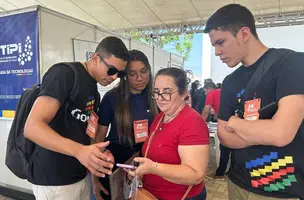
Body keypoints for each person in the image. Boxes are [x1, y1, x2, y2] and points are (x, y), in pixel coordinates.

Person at [204, 4, 304, 199]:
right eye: (214, 45)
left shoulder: (291, 64)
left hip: (279, 189)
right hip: (237, 181)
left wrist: (236, 123)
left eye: (221, 42)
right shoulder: (230, 81)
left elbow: (281, 133)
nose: (217, 52)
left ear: (243, 33)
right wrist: (264, 131)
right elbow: (224, 136)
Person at [24, 36, 130, 200]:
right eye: (111, 70)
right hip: (54, 180)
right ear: (95, 58)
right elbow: (32, 127)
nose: (115, 77)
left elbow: (87, 135)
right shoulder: (64, 74)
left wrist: (100, 153)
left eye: (120, 73)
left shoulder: (94, 92)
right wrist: (80, 151)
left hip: (79, 177)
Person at [129, 68, 210, 200]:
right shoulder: (161, 117)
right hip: (152, 194)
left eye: (167, 92)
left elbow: (196, 175)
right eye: (156, 92)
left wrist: (153, 168)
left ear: (183, 93)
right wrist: (141, 170)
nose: (160, 98)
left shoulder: (192, 122)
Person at [91, 49, 158, 200]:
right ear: (125, 76)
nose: (139, 78)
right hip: (115, 165)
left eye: (143, 71)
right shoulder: (112, 98)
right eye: (132, 74)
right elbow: (98, 139)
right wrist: (94, 180)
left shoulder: (155, 97)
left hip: (145, 162)